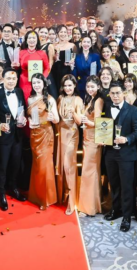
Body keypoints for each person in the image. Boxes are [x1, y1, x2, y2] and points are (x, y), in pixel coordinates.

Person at [102, 82, 137, 233]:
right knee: (114, 184)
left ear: (123, 93)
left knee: (127, 186)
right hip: (110, 152)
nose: (115, 96)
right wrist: (102, 138)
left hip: (126, 153)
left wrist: (126, 139)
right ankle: (115, 210)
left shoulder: (133, 110)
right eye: (112, 93)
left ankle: (126, 217)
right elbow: (103, 127)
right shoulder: (107, 107)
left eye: (118, 93)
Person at [0, 68, 28, 210]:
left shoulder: (19, 92)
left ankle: (13, 188)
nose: (11, 81)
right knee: (2, 165)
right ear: (3, 79)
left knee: (16, 164)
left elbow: (22, 110)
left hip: (18, 135)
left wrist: (23, 119)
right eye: (8, 78)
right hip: (3, 136)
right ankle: (1, 193)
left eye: (13, 79)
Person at [26, 73, 59, 210]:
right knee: (37, 165)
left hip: (46, 133)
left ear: (44, 84)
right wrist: (29, 121)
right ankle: (36, 195)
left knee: (45, 165)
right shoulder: (30, 99)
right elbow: (28, 115)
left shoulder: (50, 99)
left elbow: (56, 119)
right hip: (34, 134)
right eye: (34, 83)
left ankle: (46, 198)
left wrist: (52, 118)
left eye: (38, 82)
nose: (36, 85)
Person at [56, 75, 83, 215]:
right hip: (61, 134)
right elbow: (57, 118)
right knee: (61, 165)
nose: (67, 88)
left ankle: (72, 201)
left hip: (72, 134)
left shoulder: (78, 99)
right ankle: (63, 195)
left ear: (74, 86)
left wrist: (73, 113)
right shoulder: (60, 98)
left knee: (69, 166)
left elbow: (79, 122)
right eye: (65, 85)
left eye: (70, 85)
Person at [78, 76, 104, 216]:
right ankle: (93, 205)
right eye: (88, 87)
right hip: (87, 138)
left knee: (89, 172)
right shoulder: (90, 99)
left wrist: (88, 123)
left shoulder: (98, 101)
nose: (90, 89)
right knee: (91, 171)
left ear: (98, 87)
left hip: (94, 140)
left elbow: (99, 123)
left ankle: (88, 208)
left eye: (92, 87)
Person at [19, 30, 51, 100]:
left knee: (37, 100)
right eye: (29, 38)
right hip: (24, 81)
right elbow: (18, 67)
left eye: (34, 38)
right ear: (26, 40)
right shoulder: (21, 53)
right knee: (25, 100)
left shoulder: (42, 53)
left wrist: (42, 77)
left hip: (37, 82)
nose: (32, 40)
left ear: (37, 40)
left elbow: (47, 68)